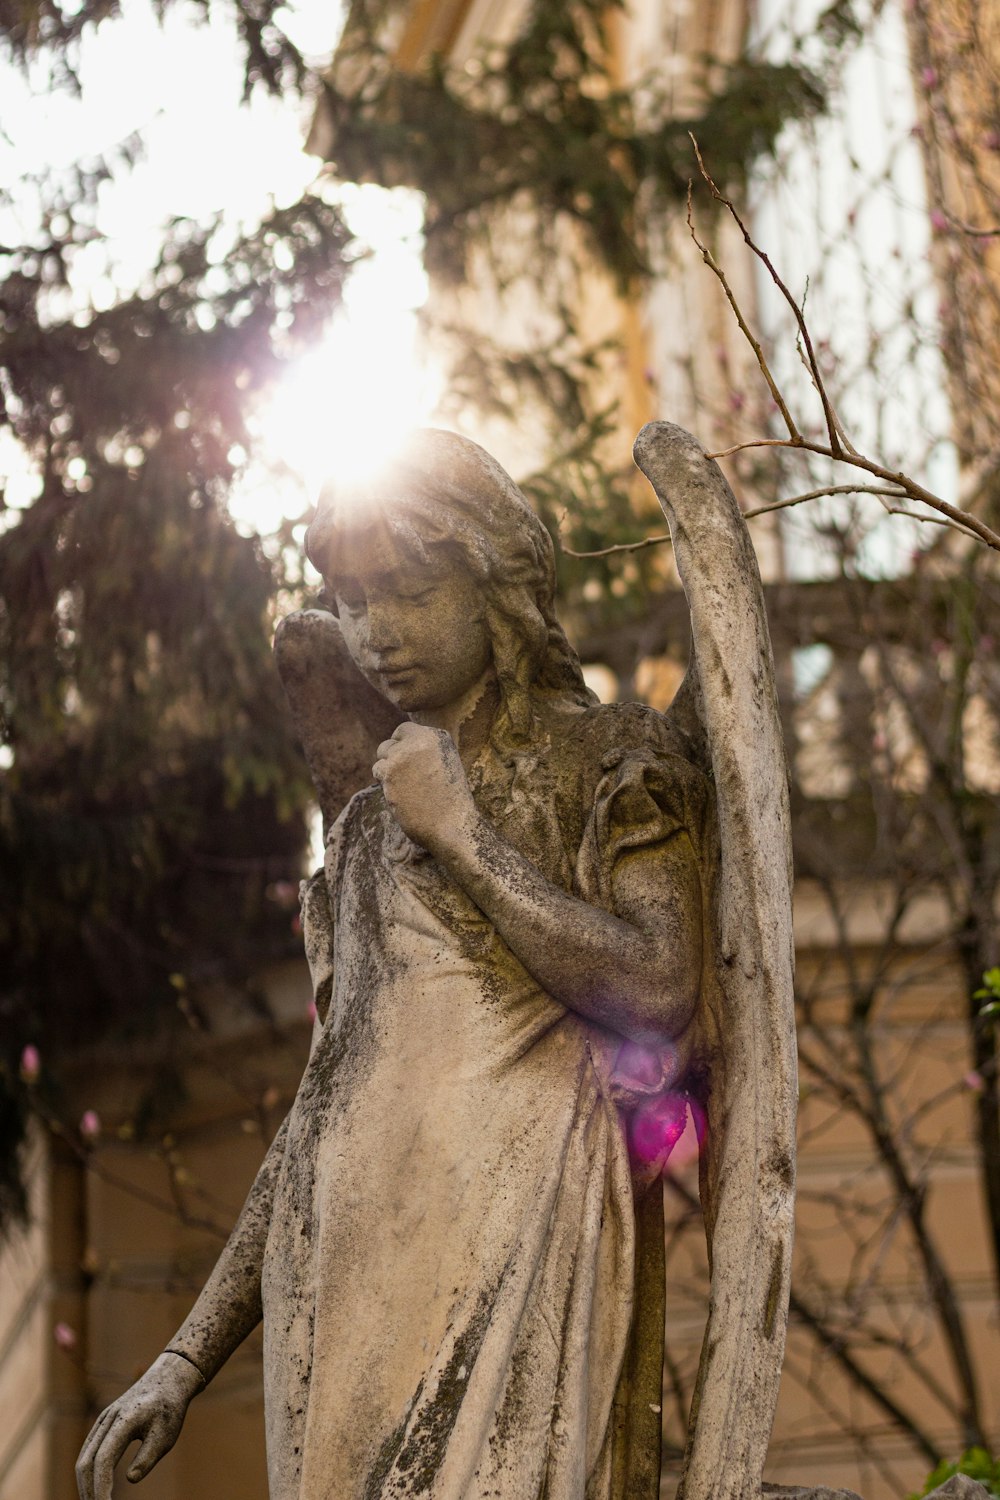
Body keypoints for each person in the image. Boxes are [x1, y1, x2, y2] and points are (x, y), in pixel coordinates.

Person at [76, 429, 711, 1500]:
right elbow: (325, 1106)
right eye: (352, 599)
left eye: (407, 592)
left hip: (514, 1232)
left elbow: (659, 986)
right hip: (350, 1254)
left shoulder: (606, 761)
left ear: (494, 577)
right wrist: (185, 1358)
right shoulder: (367, 830)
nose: (374, 634)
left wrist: (462, 833)